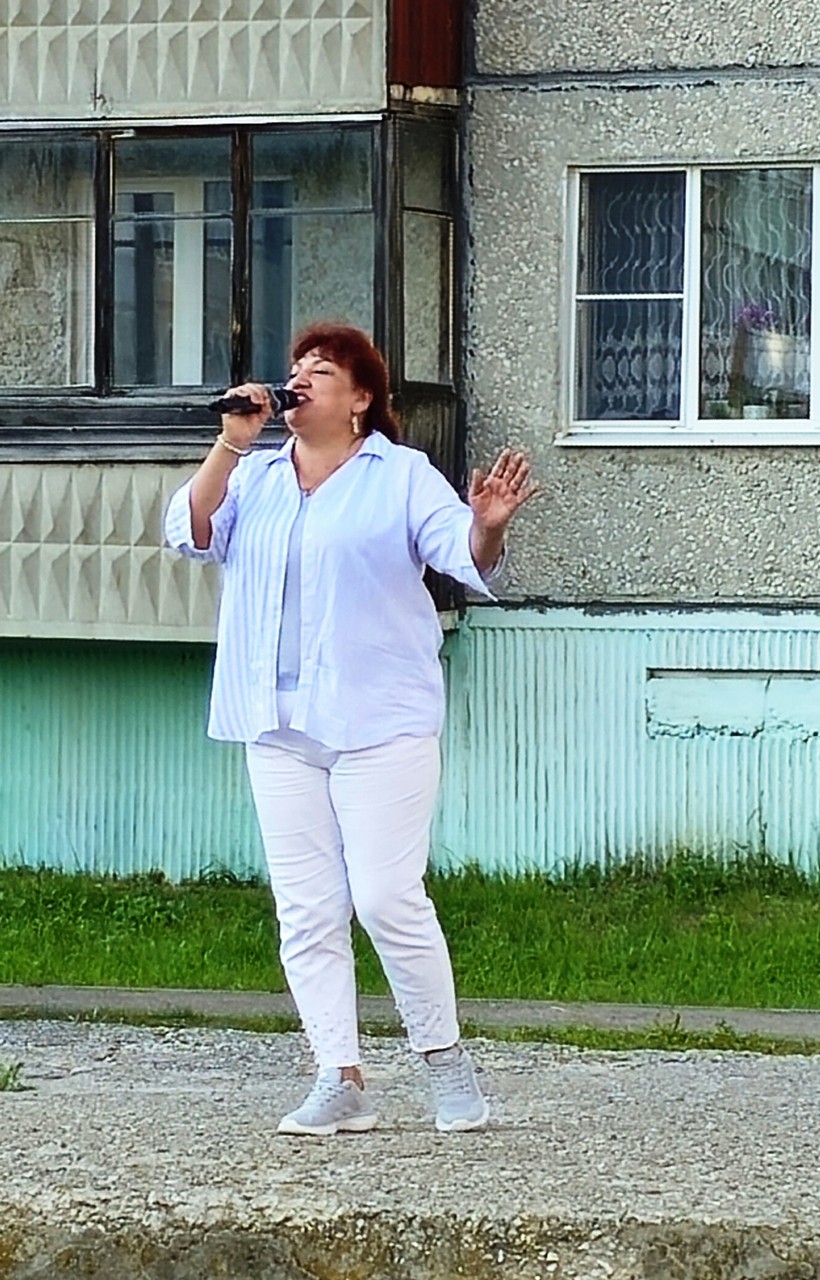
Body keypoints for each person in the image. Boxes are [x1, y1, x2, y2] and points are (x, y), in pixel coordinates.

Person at [164, 322, 536, 1136]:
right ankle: (339, 1076)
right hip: (277, 722)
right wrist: (231, 443)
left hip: (380, 720)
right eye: (295, 368)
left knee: (386, 896)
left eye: (321, 372)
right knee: (306, 908)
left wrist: (489, 523)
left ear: (361, 398)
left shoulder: (400, 476)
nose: (299, 380)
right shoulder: (256, 474)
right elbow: (192, 533)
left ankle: (445, 1061)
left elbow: (464, 552)